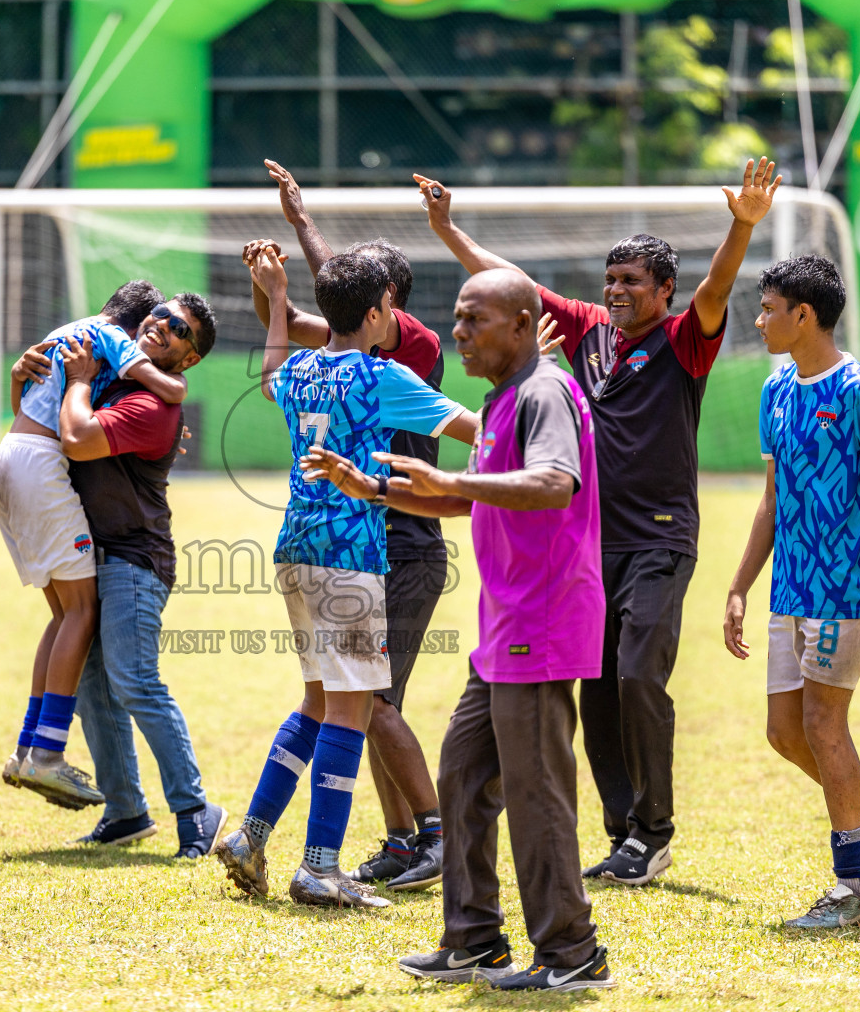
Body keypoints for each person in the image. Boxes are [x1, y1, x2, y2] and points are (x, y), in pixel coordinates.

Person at [418, 158, 781, 885]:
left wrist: (741, 226)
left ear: (663, 291)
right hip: (588, 545)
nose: (617, 292)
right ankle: (626, 835)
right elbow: (511, 282)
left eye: (633, 283)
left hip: (660, 537)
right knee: (599, 686)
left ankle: (656, 827)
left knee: (640, 673)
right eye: (611, 281)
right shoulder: (584, 331)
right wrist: (450, 231)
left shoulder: (684, 338)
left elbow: (716, 288)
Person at [302, 268, 613, 992]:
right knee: (463, 775)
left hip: (542, 621)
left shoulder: (544, 393)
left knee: (536, 792)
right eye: (458, 318)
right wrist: (375, 488)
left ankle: (573, 955)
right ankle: (474, 940)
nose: (459, 333)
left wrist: (451, 482)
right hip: (504, 626)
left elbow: (553, 483)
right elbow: (476, 503)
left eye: (476, 320)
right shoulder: (501, 398)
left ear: (520, 323)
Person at [214, 248, 475, 909]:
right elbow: (476, 429)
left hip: (295, 550)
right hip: (350, 556)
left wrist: (275, 297)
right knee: (352, 708)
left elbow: (271, 370)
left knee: (317, 701)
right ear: (376, 311)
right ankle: (321, 868)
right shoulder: (378, 377)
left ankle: (250, 835)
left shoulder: (301, 370)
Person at [723, 255, 860, 928]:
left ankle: (853, 890)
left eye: (766, 309)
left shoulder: (857, 391)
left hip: (843, 591)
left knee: (823, 725)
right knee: (785, 734)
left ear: (803, 316)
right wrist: (738, 586)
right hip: (789, 590)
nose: (759, 320)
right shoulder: (775, 391)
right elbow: (770, 503)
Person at [10, 283, 228, 858]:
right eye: (160, 316)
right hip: (93, 554)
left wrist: (78, 382)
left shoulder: (151, 404)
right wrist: (27, 373)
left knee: (133, 681)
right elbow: (44, 426)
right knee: (90, 687)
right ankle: (126, 810)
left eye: (179, 330)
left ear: (190, 359)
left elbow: (77, 441)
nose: (163, 326)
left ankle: (197, 810)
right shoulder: (116, 381)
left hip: (133, 560)